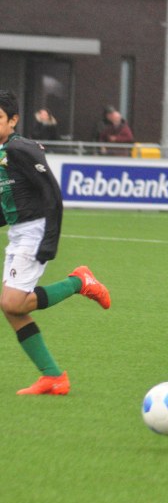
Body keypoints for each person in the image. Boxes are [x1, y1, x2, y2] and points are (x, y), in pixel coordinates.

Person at [0, 90, 111, 396]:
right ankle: (53, 377)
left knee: (11, 303)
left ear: (13, 120)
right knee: (12, 308)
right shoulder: (3, 152)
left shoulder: (21, 149)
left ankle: (79, 282)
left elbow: (52, 194)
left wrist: (50, 241)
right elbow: (10, 203)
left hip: (35, 232)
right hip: (19, 233)